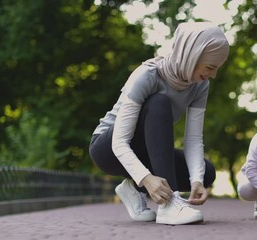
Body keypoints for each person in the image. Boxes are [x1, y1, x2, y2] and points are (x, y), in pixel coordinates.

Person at [89, 22, 229, 225]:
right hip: (108, 148)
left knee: (206, 172)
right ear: (191, 55)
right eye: (210, 67)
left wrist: (196, 180)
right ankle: (169, 205)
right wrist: (146, 178)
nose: (213, 75)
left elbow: (193, 138)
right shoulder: (147, 76)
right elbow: (119, 142)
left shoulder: (199, 85)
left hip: (146, 150)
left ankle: (132, 187)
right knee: (159, 101)